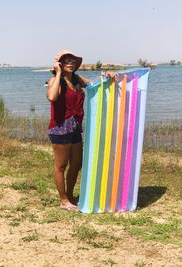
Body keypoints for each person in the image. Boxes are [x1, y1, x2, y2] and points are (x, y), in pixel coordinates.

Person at [46, 50, 117, 212]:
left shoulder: (77, 80)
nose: (70, 63)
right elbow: (51, 97)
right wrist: (57, 74)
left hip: (75, 128)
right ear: (59, 64)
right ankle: (63, 200)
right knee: (61, 165)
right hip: (60, 128)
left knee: (76, 164)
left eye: (73, 61)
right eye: (66, 61)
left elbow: (95, 84)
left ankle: (70, 196)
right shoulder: (54, 80)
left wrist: (107, 74)